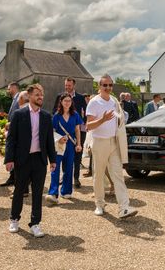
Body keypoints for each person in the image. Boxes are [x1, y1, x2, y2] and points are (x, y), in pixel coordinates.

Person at [5, 84, 56, 238]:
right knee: (19, 191)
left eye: (42, 94)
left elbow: (49, 141)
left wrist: (52, 160)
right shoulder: (19, 114)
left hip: (39, 160)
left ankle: (35, 223)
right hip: (22, 160)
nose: (40, 97)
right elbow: (11, 139)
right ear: (29, 96)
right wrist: (9, 159)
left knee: (38, 193)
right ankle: (14, 219)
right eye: (37, 94)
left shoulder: (47, 116)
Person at [86, 74, 138, 219]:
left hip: (113, 142)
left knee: (118, 175)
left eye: (110, 85)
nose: (108, 88)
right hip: (99, 142)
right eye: (105, 85)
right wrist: (102, 119)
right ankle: (99, 204)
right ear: (99, 87)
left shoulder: (114, 101)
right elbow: (88, 126)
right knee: (99, 175)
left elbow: (119, 119)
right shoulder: (94, 102)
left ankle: (124, 207)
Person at [46, 93, 83, 203]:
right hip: (58, 145)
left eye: (69, 101)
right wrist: (59, 139)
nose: (67, 103)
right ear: (61, 102)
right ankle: (53, 193)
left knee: (68, 168)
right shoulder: (56, 116)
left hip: (71, 145)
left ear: (71, 103)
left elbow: (77, 130)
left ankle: (66, 191)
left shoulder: (75, 115)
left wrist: (79, 144)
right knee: (55, 168)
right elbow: (51, 132)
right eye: (65, 101)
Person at [52, 77, 87, 188]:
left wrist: (82, 124)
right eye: (66, 85)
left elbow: (85, 112)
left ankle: (76, 178)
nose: (67, 87)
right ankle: (65, 176)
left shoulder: (81, 98)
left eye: (69, 86)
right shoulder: (59, 97)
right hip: (62, 132)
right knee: (62, 153)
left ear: (74, 85)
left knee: (77, 155)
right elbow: (54, 111)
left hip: (77, 130)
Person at [1, 82, 22, 187]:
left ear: (14, 88)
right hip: (13, 130)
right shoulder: (15, 99)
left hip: (17, 131)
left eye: (9, 89)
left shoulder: (19, 98)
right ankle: (12, 177)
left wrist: (11, 124)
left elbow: (19, 114)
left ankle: (15, 178)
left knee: (15, 154)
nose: (8, 91)